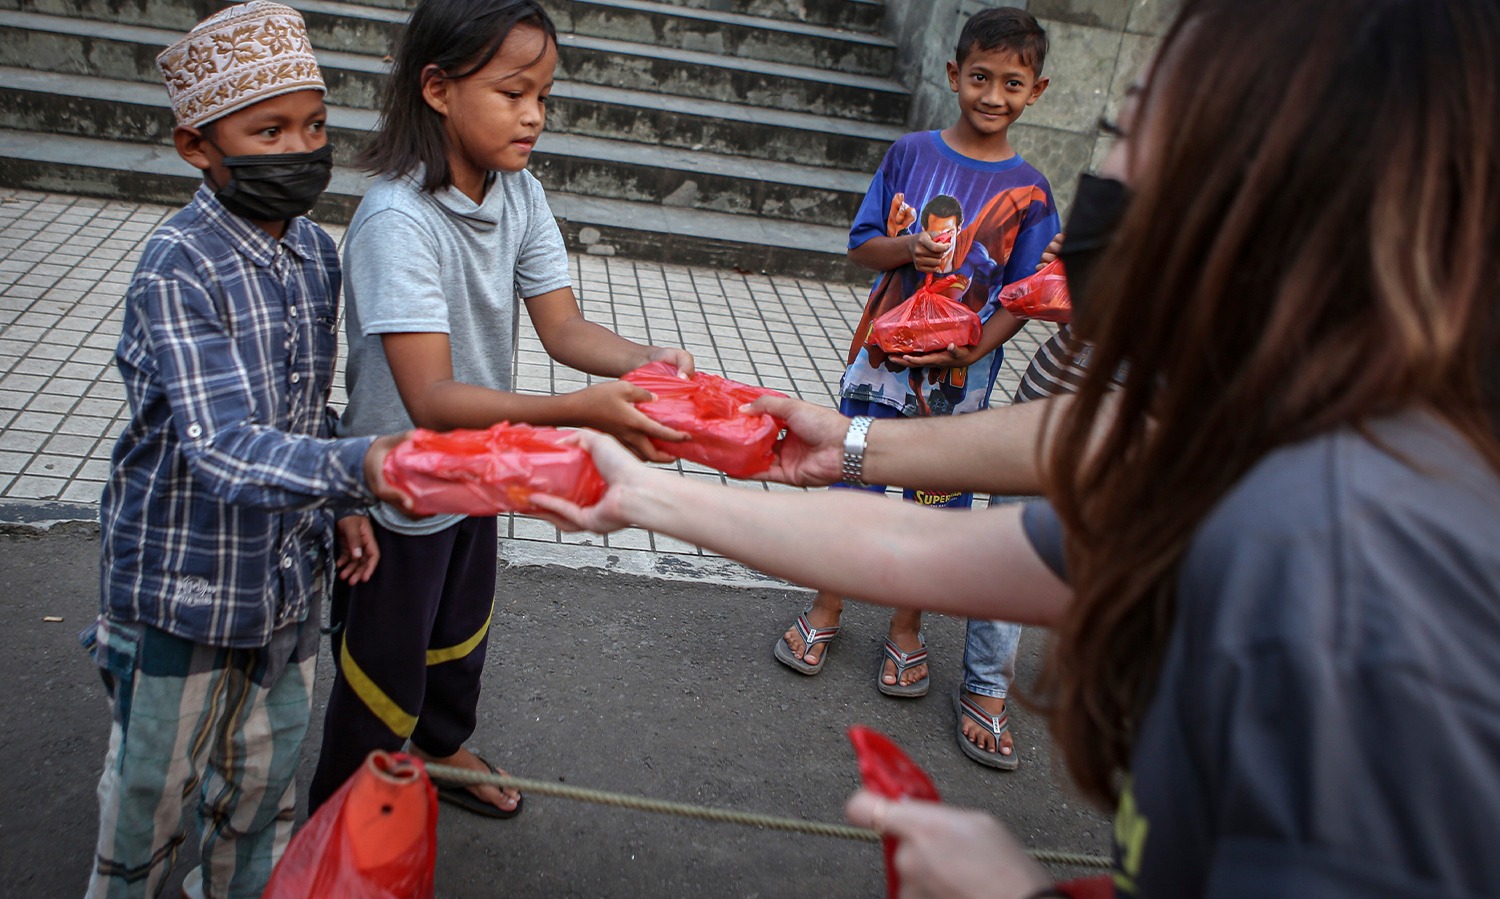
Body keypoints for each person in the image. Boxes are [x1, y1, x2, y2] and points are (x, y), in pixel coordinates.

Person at [536, 0, 1500, 894]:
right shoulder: (1258, 464)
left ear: (1264, 187)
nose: (1089, 200)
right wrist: (672, 491)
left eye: (1121, 134)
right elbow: (922, 546)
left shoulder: (1358, 589)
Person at [306, 0, 695, 820]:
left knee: (460, 632)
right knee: (383, 673)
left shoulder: (517, 191)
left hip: (480, 470)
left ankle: (442, 748)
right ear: (438, 88)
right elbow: (432, 399)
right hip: (397, 491)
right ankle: (343, 821)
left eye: (545, 96)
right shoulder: (396, 219)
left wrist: (645, 361)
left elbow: (562, 325)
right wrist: (580, 414)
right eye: (515, 92)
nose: (535, 117)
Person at [81, 4, 413, 896]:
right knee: (150, 796)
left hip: (283, 591)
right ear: (197, 145)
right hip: (178, 588)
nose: (299, 150)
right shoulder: (176, 264)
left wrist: (341, 508)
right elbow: (224, 447)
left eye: (313, 127)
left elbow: (310, 407)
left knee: (263, 788)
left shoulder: (315, 254)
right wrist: (369, 469)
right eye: (268, 130)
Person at [777, 6, 1059, 772]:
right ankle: (827, 604)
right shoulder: (907, 154)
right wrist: (910, 248)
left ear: (1036, 91)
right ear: (951, 75)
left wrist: (974, 345)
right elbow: (862, 244)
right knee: (853, 481)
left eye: (1012, 83)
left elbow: (1026, 294)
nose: (993, 95)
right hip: (879, 365)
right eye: (979, 77)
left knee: (937, 505)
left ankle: (906, 628)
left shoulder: (1032, 192)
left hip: (960, 382)